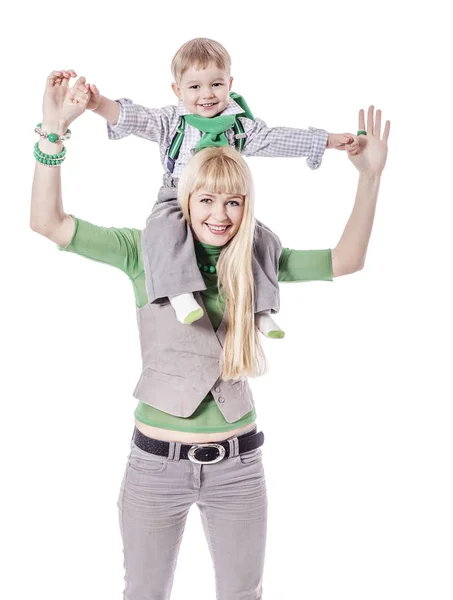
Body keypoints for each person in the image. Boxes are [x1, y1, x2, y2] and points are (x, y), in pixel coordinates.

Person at [30, 70, 390, 600]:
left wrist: (370, 178)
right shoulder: (143, 253)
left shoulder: (258, 258)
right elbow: (49, 222)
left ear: (246, 208)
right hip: (155, 467)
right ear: (185, 200)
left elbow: (347, 260)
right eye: (206, 200)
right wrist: (52, 132)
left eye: (233, 202)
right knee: (145, 593)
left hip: (239, 468)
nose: (219, 215)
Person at [82, 37, 359, 336]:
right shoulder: (171, 123)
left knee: (261, 240)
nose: (207, 95)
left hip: (226, 203)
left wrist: (327, 140)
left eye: (216, 84)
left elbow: (278, 139)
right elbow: (134, 118)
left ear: (229, 83)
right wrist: (97, 104)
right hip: (177, 197)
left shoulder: (240, 128)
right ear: (178, 90)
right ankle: (179, 293)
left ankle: (260, 309)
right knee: (162, 230)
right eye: (195, 87)